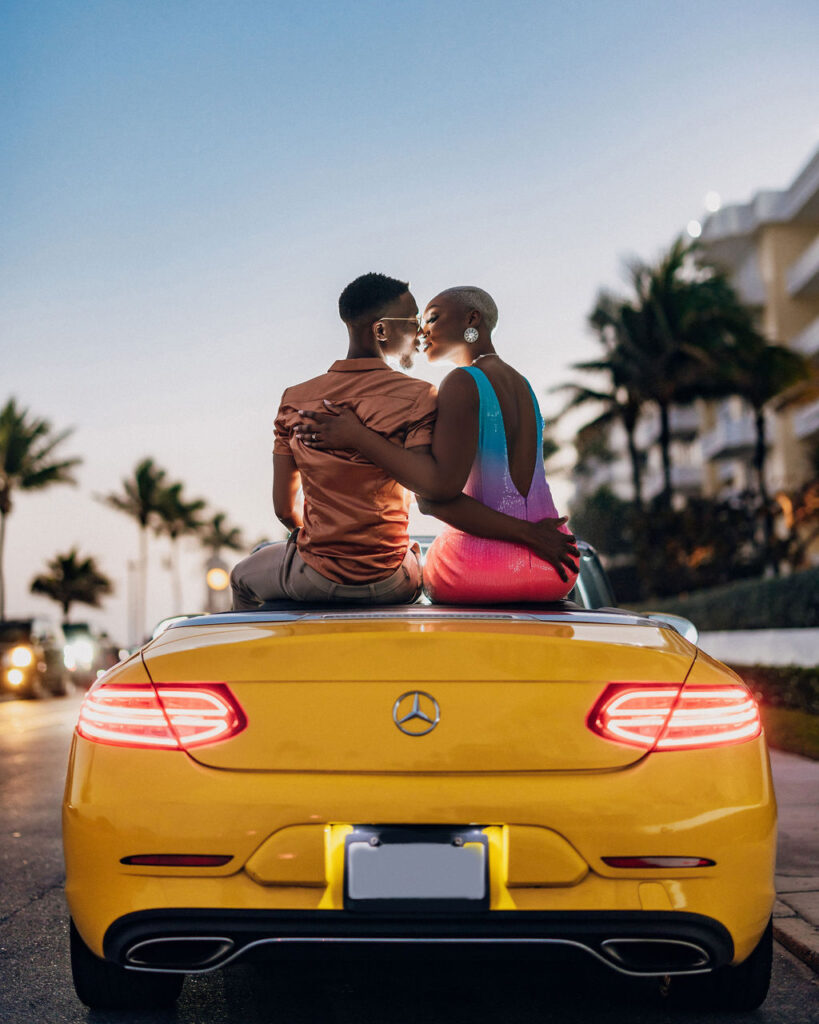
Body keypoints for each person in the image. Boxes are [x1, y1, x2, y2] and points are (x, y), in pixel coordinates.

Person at [295, 286, 579, 604]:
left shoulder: (463, 381)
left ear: (472, 319)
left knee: (410, 574)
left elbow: (434, 496)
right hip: (557, 564)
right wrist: (535, 536)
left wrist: (357, 436)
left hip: (478, 571)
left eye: (432, 318)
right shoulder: (523, 385)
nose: (421, 330)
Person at [230, 272, 437, 607]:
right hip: (393, 581)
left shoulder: (295, 399)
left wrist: (314, 545)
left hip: (313, 577)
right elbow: (427, 483)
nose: (421, 332)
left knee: (241, 578)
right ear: (381, 330)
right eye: (412, 321)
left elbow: (284, 509)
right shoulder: (419, 396)